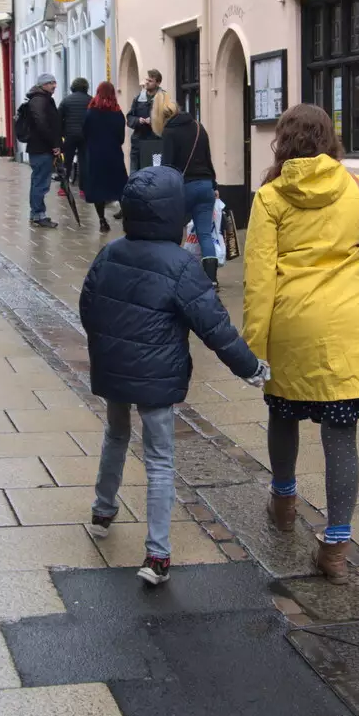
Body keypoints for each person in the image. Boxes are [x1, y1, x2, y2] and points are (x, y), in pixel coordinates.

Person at [242, 104, 359, 584]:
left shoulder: (271, 198)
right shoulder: (358, 188)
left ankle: (283, 500)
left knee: (282, 411)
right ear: (330, 139)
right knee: (341, 437)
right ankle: (336, 548)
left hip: (292, 324)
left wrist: (252, 349)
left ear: (283, 142)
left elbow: (259, 279)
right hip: (348, 327)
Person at [80, 166, 266, 585]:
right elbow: (215, 326)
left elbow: (87, 305)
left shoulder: (110, 253)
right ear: (174, 217)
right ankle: (157, 555)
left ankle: (102, 510)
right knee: (160, 459)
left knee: (115, 434)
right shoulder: (182, 265)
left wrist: (106, 344)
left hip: (114, 365)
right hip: (157, 376)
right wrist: (250, 367)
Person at [151, 89, 220, 284]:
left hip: (184, 188)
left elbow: (168, 166)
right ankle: (211, 279)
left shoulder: (169, 132)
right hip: (206, 186)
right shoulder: (199, 127)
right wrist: (213, 184)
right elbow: (208, 159)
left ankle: (174, 271)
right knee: (205, 233)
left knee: (173, 231)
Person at [80, 82, 128, 233]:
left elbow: (85, 133)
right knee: (120, 186)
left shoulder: (90, 112)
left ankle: (102, 220)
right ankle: (127, 219)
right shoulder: (117, 113)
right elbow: (121, 138)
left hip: (95, 155)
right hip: (113, 154)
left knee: (97, 187)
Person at [18, 73, 61, 228]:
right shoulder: (38, 101)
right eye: (50, 83)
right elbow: (42, 124)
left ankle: (36, 213)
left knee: (39, 181)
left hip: (41, 147)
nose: (54, 85)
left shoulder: (43, 99)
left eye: (55, 82)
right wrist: (53, 144)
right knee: (41, 183)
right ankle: (38, 215)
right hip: (41, 148)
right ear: (42, 85)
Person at [57, 77, 91, 191]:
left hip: (70, 135)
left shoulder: (66, 100)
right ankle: (84, 189)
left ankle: (64, 188)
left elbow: (58, 118)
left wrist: (62, 132)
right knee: (84, 162)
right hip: (86, 136)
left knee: (67, 161)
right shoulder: (91, 100)